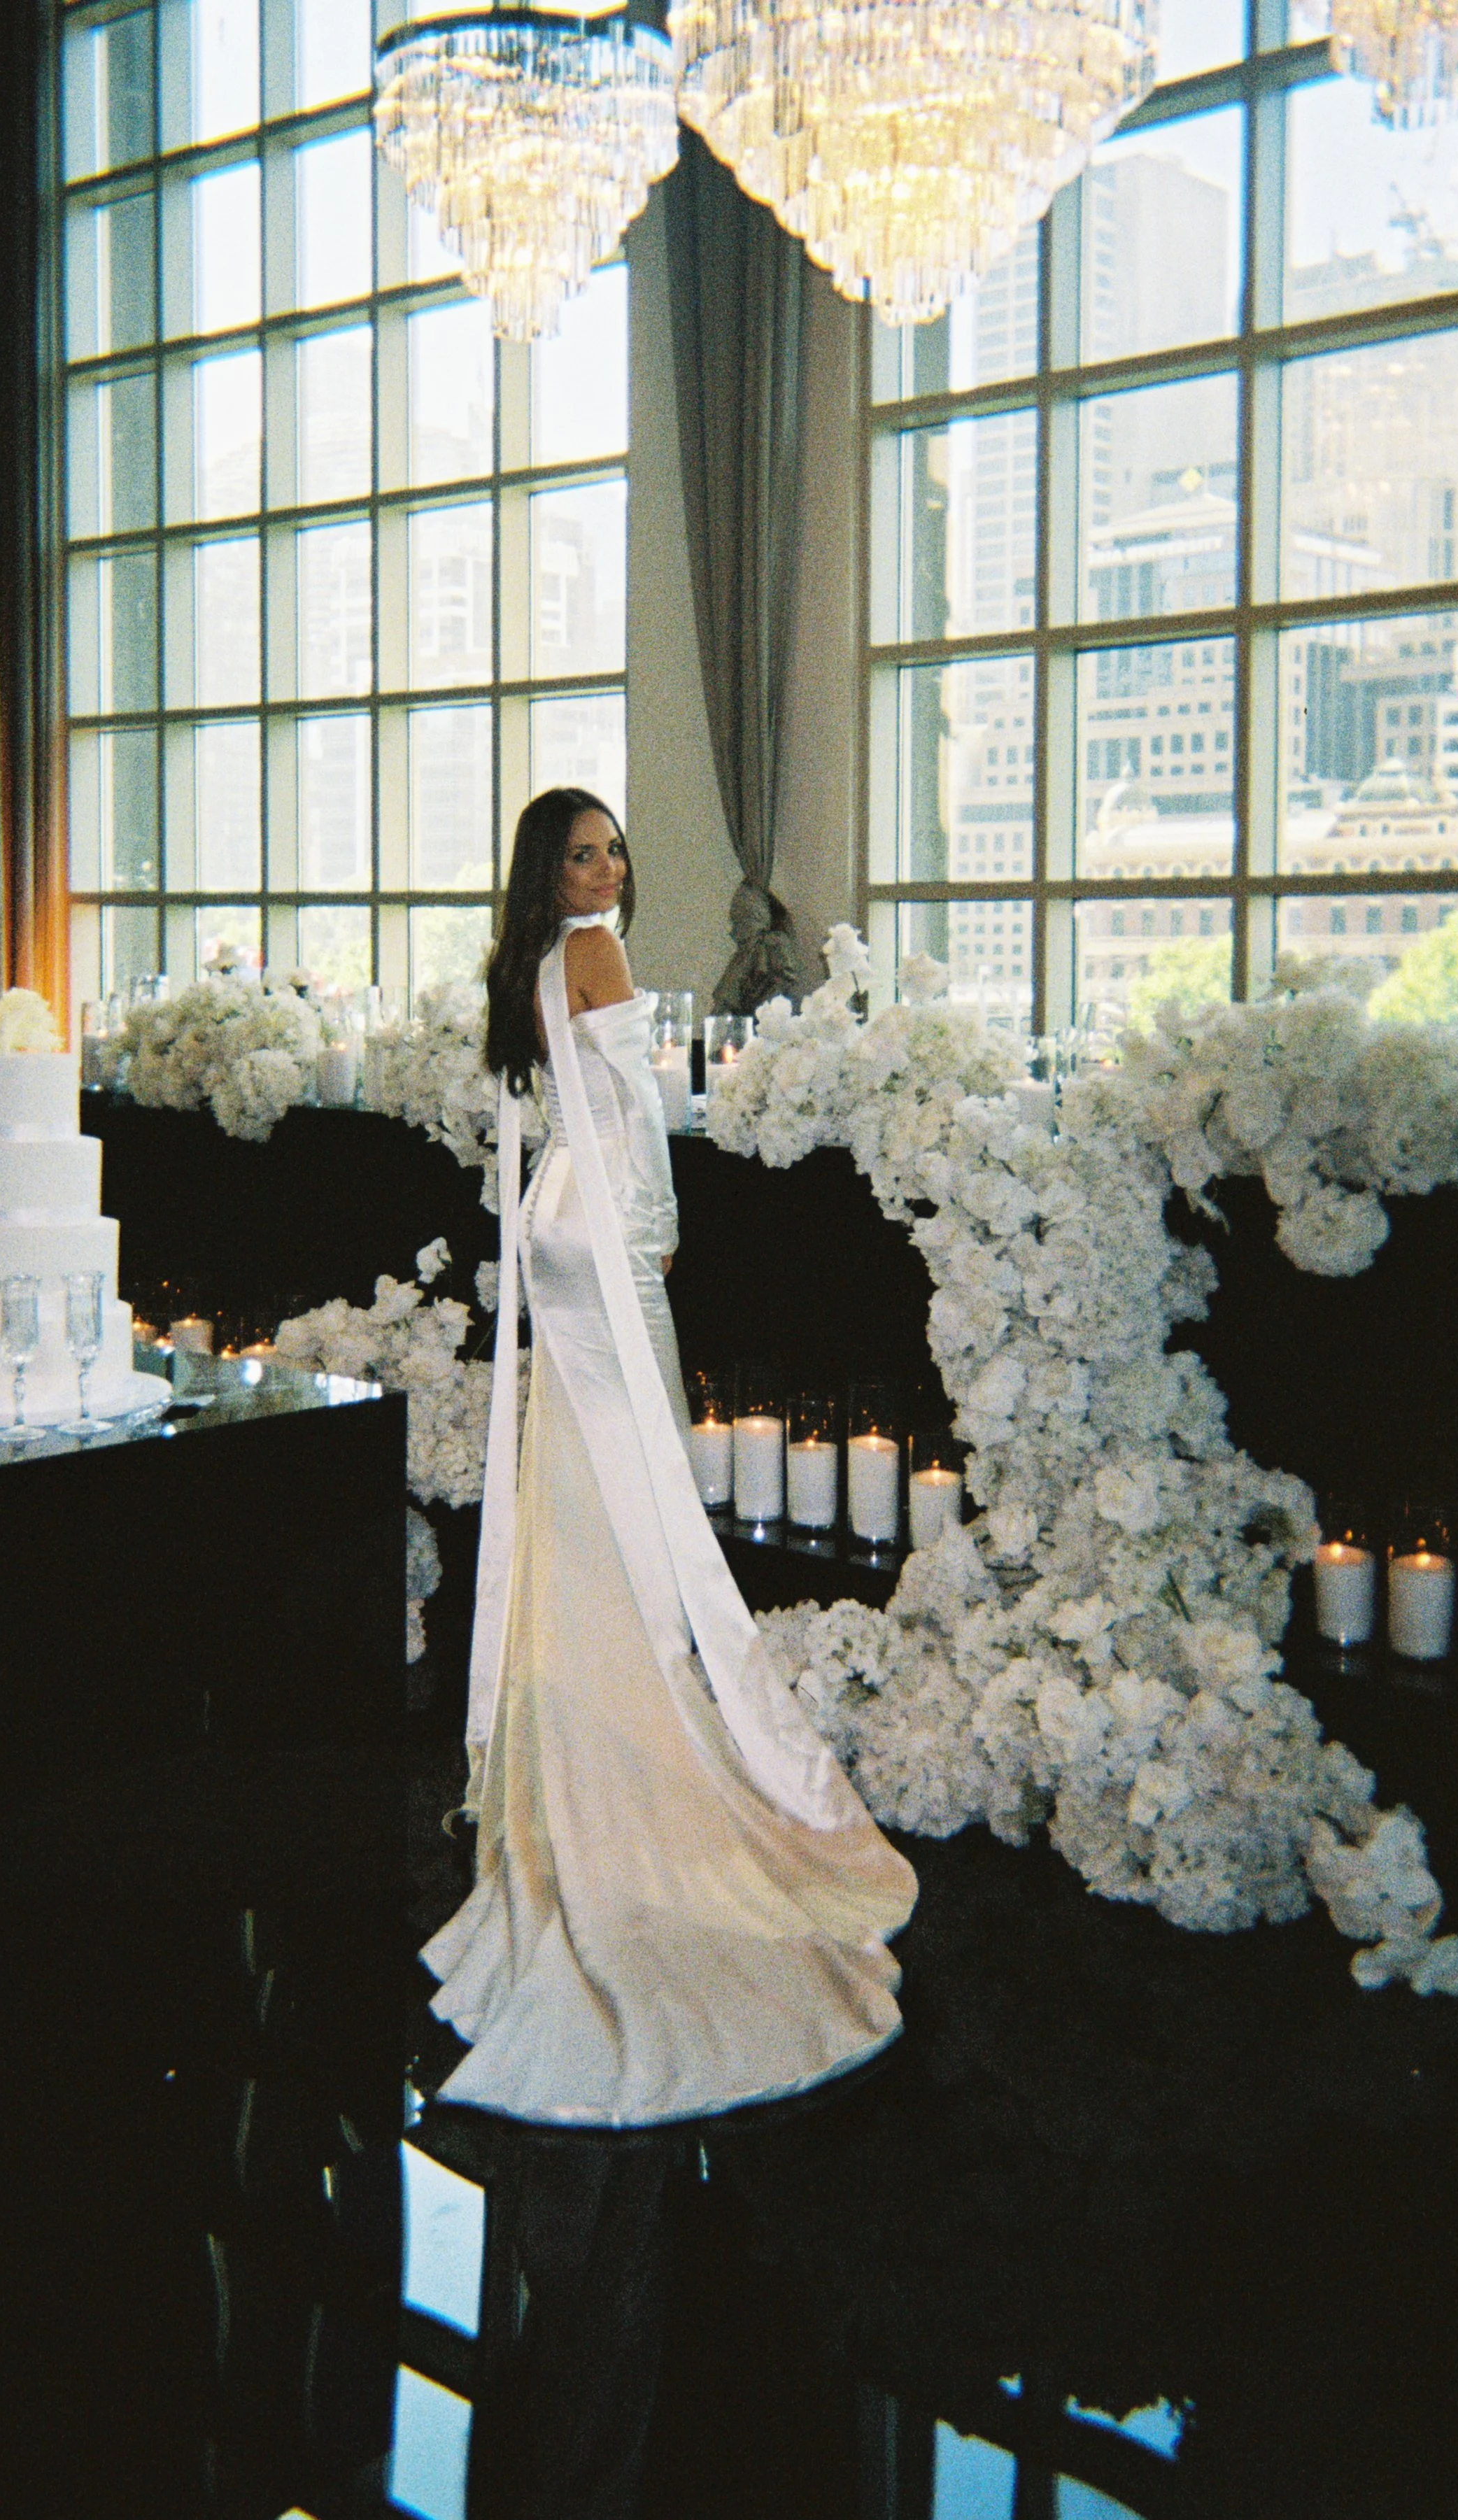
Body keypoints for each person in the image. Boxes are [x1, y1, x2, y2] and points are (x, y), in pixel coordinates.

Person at [421, 788, 916, 2125]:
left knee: (583, 1479)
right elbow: (638, 1114)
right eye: (583, 854)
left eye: (614, 850)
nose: (607, 870)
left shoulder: (524, 962)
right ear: (550, 870)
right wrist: (664, 1240)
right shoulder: (598, 950)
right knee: (637, 1483)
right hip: (606, 1223)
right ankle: (643, 1773)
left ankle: (576, 1760)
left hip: (546, 1220)